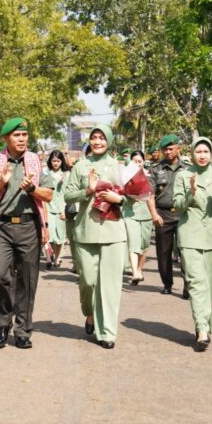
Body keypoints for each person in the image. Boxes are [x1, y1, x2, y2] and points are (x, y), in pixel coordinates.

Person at [0, 118, 53, 349]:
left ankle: (22, 330)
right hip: (1, 226)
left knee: (28, 280)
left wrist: (32, 189)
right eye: (16, 135)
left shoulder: (35, 163)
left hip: (29, 226)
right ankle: (2, 324)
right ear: (6, 139)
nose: (21, 139)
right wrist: (1, 184)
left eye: (24, 135)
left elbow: (48, 195)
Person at [64, 124, 126, 349]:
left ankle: (107, 332)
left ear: (109, 141)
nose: (98, 142)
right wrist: (88, 191)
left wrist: (119, 199)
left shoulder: (119, 167)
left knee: (109, 285)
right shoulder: (81, 166)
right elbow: (67, 195)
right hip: (85, 231)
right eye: (94, 138)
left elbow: (133, 195)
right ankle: (89, 313)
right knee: (89, 281)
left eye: (102, 138)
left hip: (113, 232)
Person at [173, 138, 212, 350]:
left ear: (211, 153)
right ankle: (202, 329)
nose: (202, 155)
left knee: (211, 287)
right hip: (190, 235)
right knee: (197, 283)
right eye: (198, 151)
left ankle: (204, 323)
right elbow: (177, 207)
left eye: (206, 151)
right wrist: (191, 192)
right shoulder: (183, 175)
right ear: (193, 153)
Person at [151, 134, 187, 296]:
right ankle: (167, 283)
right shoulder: (156, 169)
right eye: (165, 149)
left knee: (186, 251)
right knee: (163, 252)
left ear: (178, 149)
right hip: (162, 214)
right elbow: (149, 194)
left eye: (171, 149)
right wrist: (154, 214)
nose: (168, 152)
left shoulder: (187, 168)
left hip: (183, 215)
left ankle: (188, 284)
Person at [122, 150, 156, 284]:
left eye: (139, 161)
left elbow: (153, 195)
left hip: (146, 214)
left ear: (144, 161)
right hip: (130, 213)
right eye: (134, 161)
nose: (137, 163)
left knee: (144, 245)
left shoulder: (150, 175)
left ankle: (139, 270)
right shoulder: (125, 176)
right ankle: (134, 272)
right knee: (133, 243)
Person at [45, 150, 70, 269]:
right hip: (48, 207)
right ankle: (48, 258)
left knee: (60, 237)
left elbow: (68, 193)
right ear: (50, 161)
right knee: (48, 236)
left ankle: (56, 258)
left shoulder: (67, 175)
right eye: (53, 161)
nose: (55, 163)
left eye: (58, 161)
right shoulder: (45, 174)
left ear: (61, 161)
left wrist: (64, 210)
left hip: (61, 209)